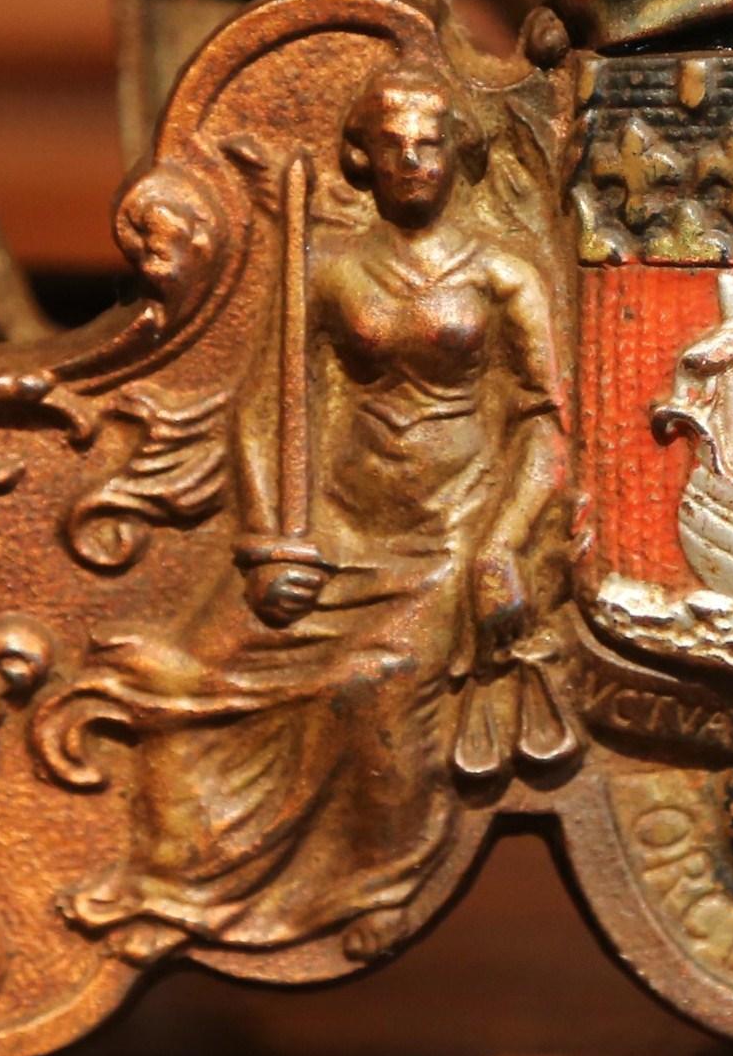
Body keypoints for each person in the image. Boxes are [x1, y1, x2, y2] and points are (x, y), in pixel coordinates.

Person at [53, 54, 570, 961]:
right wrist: (268, 544)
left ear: (457, 156)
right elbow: (267, 409)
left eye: (430, 144)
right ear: (362, 159)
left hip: (449, 538)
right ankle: (180, 880)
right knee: (176, 674)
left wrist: (502, 545)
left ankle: (374, 881)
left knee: (376, 683)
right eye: (394, 145)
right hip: (336, 536)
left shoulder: (500, 276)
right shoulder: (330, 273)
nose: (414, 161)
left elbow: (546, 421)